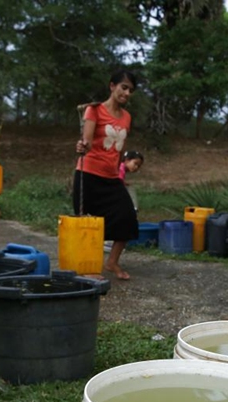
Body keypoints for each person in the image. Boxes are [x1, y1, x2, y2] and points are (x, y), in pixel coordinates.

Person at [75, 70, 139, 280]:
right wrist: (82, 146)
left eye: (131, 90)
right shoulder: (94, 111)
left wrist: (120, 169)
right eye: (123, 87)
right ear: (112, 86)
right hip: (89, 174)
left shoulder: (127, 117)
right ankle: (88, 267)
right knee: (89, 224)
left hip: (112, 178)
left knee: (128, 217)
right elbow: (87, 140)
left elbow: (121, 148)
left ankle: (111, 262)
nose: (127, 93)